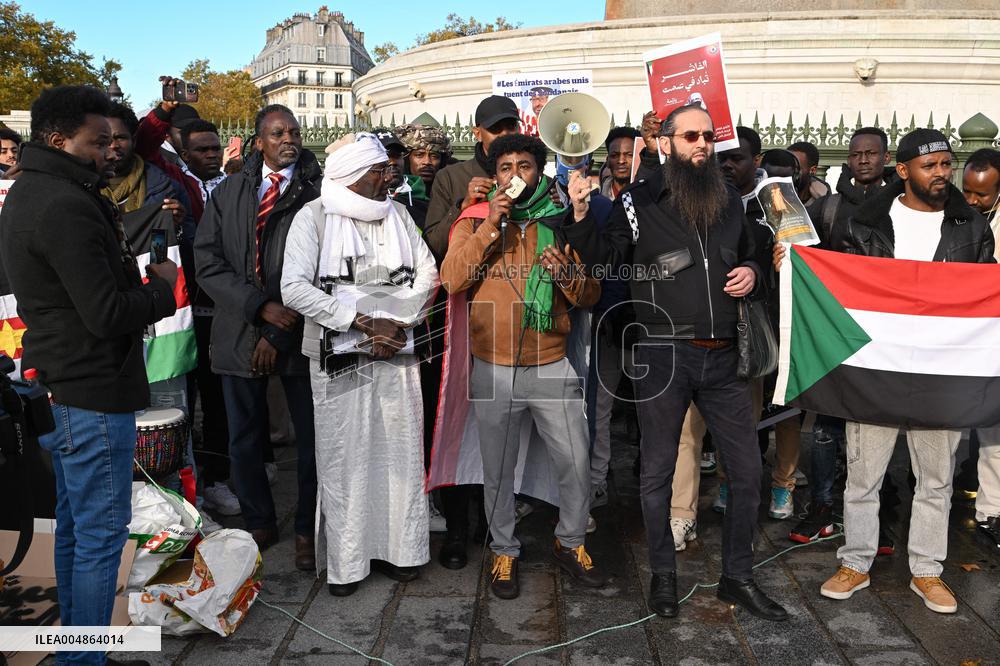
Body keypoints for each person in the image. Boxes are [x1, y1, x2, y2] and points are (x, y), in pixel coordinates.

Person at [564, 103, 788, 621]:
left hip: (726, 358)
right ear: (666, 144)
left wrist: (754, 270)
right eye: (690, 136)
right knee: (657, 472)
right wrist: (579, 214)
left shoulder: (732, 200)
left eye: (708, 136)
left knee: (748, 472)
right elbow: (605, 259)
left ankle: (737, 577)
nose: (702, 145)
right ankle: (663, 577)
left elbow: (757, 251)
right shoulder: (639, 201)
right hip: (663, 356)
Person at [774, 129, 994, 613]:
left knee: (936, 480)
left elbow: (984, 292)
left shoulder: (971, 226)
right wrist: (794, 264)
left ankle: (927, 571)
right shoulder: (865, 222)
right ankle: (856, 560)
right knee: (863, 476)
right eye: (930, 166)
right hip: (877, 369)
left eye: (945, 164)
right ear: (903, 171)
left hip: (943, 372)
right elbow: (840, 285)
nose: (941, 174)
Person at [0, 85, 178, 665]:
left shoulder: (40, 189)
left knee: (77, 527)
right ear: (58, 139)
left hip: (71, 379)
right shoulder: (63, 203)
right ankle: (85, 658)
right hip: (92, 386)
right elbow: (104, 313)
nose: (110, 151)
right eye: (96, 142)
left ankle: (79, 650)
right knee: (100, 534)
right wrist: (159, 290)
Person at [439, 134, 607, 600]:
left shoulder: (557, 223)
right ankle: (504, 550)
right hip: (492, 367)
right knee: (499, 470)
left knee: (575, 462)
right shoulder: (472, 221)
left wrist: (567, 277)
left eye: (526, 166)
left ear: (539, 172)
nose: (515, 175)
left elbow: (590, 294)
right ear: (494, 176)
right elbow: (453, 278)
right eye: (506, 167)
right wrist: (491, 223)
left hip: (551, 363)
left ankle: (570, 542)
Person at [282, 133, 439, 596]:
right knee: (345, 456)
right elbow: (294, 288)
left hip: (396, 353)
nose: (389, 177)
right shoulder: (312, 219)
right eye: (379, 171)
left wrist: (396, 325)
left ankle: (402, 551)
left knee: (399, 450)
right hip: (340, 356)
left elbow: (428, 272)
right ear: (352, 177)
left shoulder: (399, 214)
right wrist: (365, 321)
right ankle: (348, 564)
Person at [194, 104, 320, 571]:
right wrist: (256, 308)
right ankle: (259, 519)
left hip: (297, 330)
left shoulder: (317, 191)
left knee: (311, 438)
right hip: (237, 331)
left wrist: (276, 327)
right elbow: (207, 262)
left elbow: (319, 268)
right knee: (243, 437)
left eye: (294, 131)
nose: (289, 138)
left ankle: (308, 527)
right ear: (258, 141)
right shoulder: (229, 191)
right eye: (277, 132)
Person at [422, 94, 520, 570]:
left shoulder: (530, 175)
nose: (503, 137)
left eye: (510, 127)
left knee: (499, 425)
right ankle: (458, 528)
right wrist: (467, 205)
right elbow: (432, 245)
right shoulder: (450, 177)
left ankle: (493, 521)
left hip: (512, 322)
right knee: (458, 420)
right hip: (459, 317)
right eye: (495, 130)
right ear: (477, 134)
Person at [789, 127, 895, 545]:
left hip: (886, 335)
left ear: (887, 158)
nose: (864, 160)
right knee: (825, 429)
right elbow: (799, 249)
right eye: (857, 154)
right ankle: (822, 506)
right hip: (836, 333)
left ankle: (876, 511)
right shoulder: (828, 206)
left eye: (872, 153)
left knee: (878, 428)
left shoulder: (904, 207)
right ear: (848, 160)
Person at [136, 94, 233, 517]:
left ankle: (218, 478)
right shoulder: (172, 181)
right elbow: (141, 146)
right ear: (184, 153)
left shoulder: (235, 183)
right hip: (181, 304)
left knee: (218, 398)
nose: (211, 156)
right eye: (202, 150)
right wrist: (162, 113)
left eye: (216, 148)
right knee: (181, 397)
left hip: (223, 307)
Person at [962, 148, 1000, 550]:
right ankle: (988, 507)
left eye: (982, 195)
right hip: (969, 337)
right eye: (968, 191)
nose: (973, 201)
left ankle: (991, 508)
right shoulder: (957, 215)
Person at [393, 121, 453, 229]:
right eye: (419, 155)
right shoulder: (393, 196)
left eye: (434, 156)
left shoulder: (449, 194)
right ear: (406, 159)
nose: (427, 162)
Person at [601, 126, 640, 199]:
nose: (621, 161)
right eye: (614, 155)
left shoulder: (651, 198)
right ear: (607, 161)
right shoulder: (594, 200)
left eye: (629, 155)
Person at [788, 140, 830, 205]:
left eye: (796, 168)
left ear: (813, 170)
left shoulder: (825, 204)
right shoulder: (773, 194)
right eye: (787, 165)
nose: (789, 171)